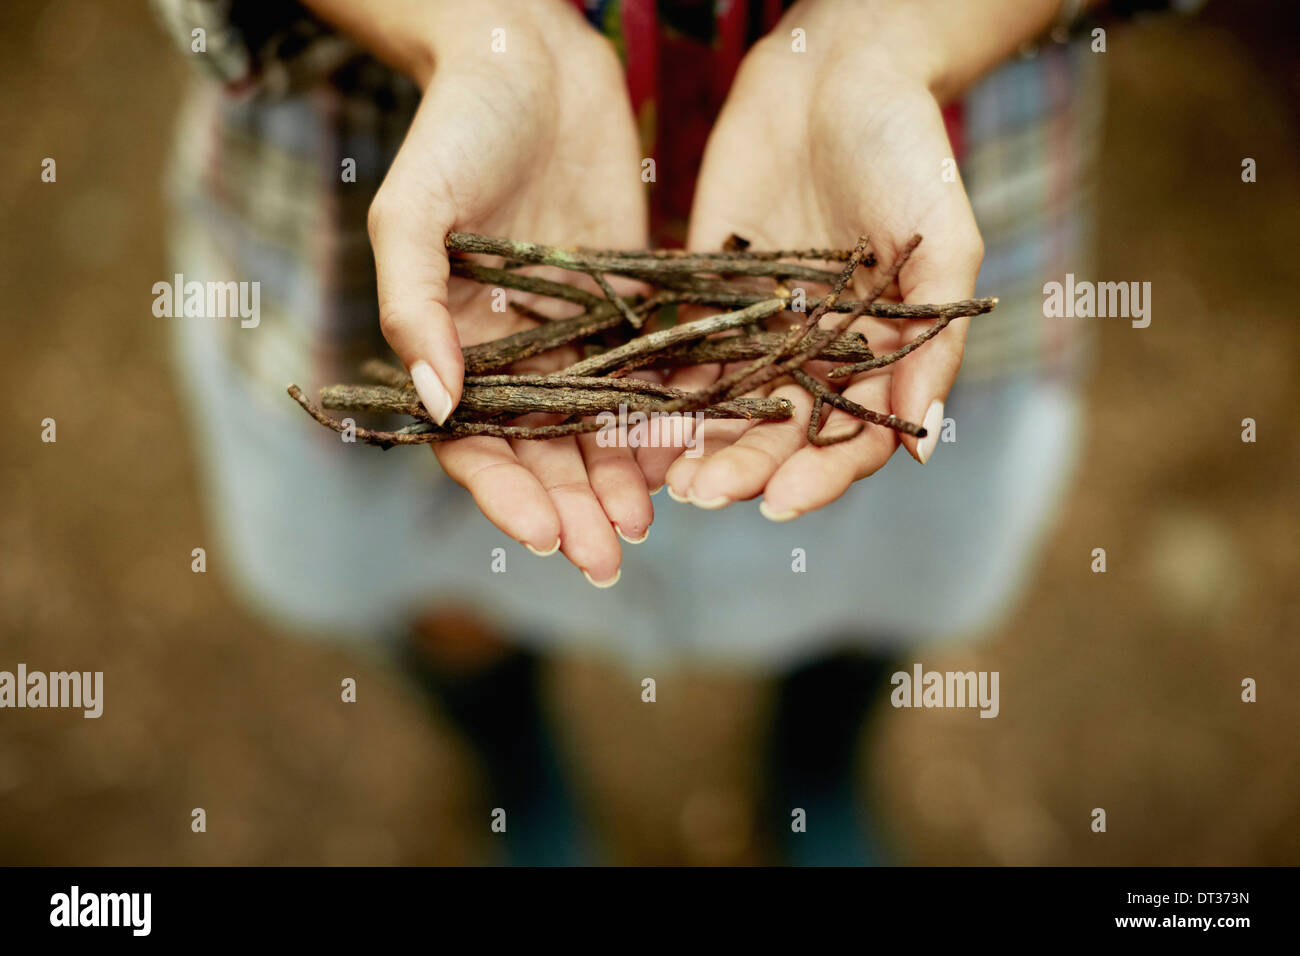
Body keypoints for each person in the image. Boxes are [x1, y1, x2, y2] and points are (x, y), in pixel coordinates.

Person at [153, 0, 1194, 864]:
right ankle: (517, 776)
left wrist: (903, 34)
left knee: (881, 540)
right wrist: (464, 27)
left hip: (935, 135)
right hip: (393, 134)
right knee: (435, 564)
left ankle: (815, 774)